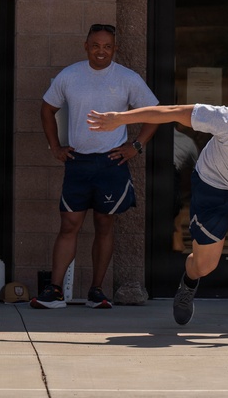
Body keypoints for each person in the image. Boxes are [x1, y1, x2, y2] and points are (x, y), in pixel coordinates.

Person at [87, 84, 228, 334]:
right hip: (213, 189)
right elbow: (172, 111)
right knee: (205, 265)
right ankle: (188, 283)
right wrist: (120, 119)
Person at [32, 23, 159, 309]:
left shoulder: (128, 78)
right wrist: (55, 146)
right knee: (69, 224)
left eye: (107, 46)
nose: (101, 51)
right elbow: (46, 109)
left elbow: (154, 113)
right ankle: (54, 291)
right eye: (96, 45)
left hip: (111, 162)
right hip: (78, 161)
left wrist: (136, 146)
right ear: (86, 46)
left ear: (115, 49)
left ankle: (97, 291)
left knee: (104, 224)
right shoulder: (70, 75)